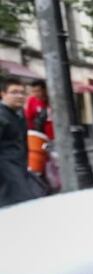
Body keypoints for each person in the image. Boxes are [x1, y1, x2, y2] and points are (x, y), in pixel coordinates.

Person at [0, 77, 34, 207]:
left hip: (18, 169)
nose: (20, 96)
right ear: (3, 94)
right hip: (7, 174)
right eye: (14, 92)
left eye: (22, 92)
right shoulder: (2, 116)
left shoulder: (16, 115)